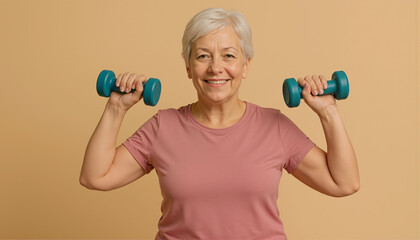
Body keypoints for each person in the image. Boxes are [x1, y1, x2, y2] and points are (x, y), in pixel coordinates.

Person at [80, 8, 360, 240]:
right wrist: (116, 107)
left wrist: (328, 111)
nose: (216, 67)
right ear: (188, 67)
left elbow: (344, 183)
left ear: (245, 66)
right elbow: (95, 176)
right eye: (203, 56)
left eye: (229, 55)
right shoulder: (163, 127)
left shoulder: (274, 126)